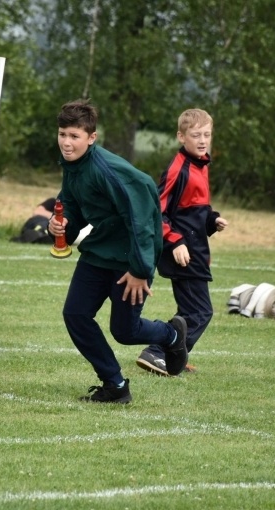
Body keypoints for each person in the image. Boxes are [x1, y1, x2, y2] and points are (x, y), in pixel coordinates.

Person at [48, 100, 189, 404]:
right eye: (62, 134)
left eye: (74, 136)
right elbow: (71, 204)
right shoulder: (72, 166)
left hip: (130, 258)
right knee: (75, 314)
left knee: (125, 331)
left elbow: (142, 219)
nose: (67, 142)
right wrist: (61, 225)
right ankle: (115, 385)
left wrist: (140, 270)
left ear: (91, 138)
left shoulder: (108, 170)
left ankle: (172, 335)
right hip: (99, 251)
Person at [136, 109, 228, 376]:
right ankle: (158, 352)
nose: (203, 140)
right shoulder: (179, 169)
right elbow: (158, 211)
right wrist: (175, 242)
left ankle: (174, 356)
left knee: (190, 310)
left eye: (207, 135)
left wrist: (212, 220)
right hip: (183, 252)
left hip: (195, 249)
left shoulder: (201, 165)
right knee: (200, 312)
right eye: (196, 135)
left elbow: (193, 210)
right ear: (181, 136)